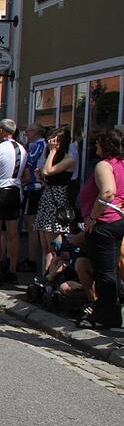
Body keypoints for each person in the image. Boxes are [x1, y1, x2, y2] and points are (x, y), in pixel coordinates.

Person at [78, 130, 124, 330]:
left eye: (98, 143)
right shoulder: (121, 165)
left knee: (105, 272)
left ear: (106, 145)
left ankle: (105, 315)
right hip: (116, 221)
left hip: (104, 223)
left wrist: (93, 218)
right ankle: (110, 314)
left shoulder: (104, 165)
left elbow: (108, 192)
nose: (95, 146)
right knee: (111, 270)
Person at [0, 119, 28, 284]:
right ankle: (12, 270)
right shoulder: (23, 149)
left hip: (0, 192)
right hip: (15, 191)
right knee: (13, 234)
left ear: (2, 130)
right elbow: (27, 175)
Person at [35, 127, 78, 273]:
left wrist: (52, 151)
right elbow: (47, 177)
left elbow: (48, 170)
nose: (52, 143)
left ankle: (51, 280)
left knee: (54, 247)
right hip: (47, 198)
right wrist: (41, 177)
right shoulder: (53, 157)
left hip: (57, 203)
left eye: (56, 141)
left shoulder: (69, 158)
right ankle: (44, 279)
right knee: (45, 247)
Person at [19, 123, 47, 273]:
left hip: (34, 187)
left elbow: (29, 164)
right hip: (35, 186)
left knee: (32, 225)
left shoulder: (38, 145)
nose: (26, 134)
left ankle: (31, 259)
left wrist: (24, 178)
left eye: (28, 131)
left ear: (36, 132)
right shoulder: (40, 144)